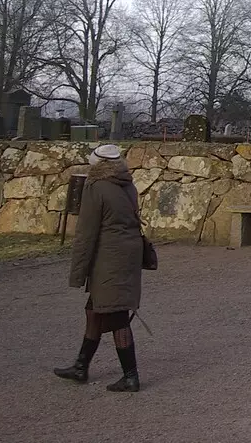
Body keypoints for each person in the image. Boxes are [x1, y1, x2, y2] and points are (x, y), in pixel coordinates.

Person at [54, 143, 144, 392]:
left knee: (116, 316)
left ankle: (130, 375)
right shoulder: (127, 185)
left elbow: (87, 232)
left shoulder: (96, 187)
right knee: (95, 310)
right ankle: (81, 366)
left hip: (109, 257)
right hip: (128, 254)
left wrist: (78, 272)